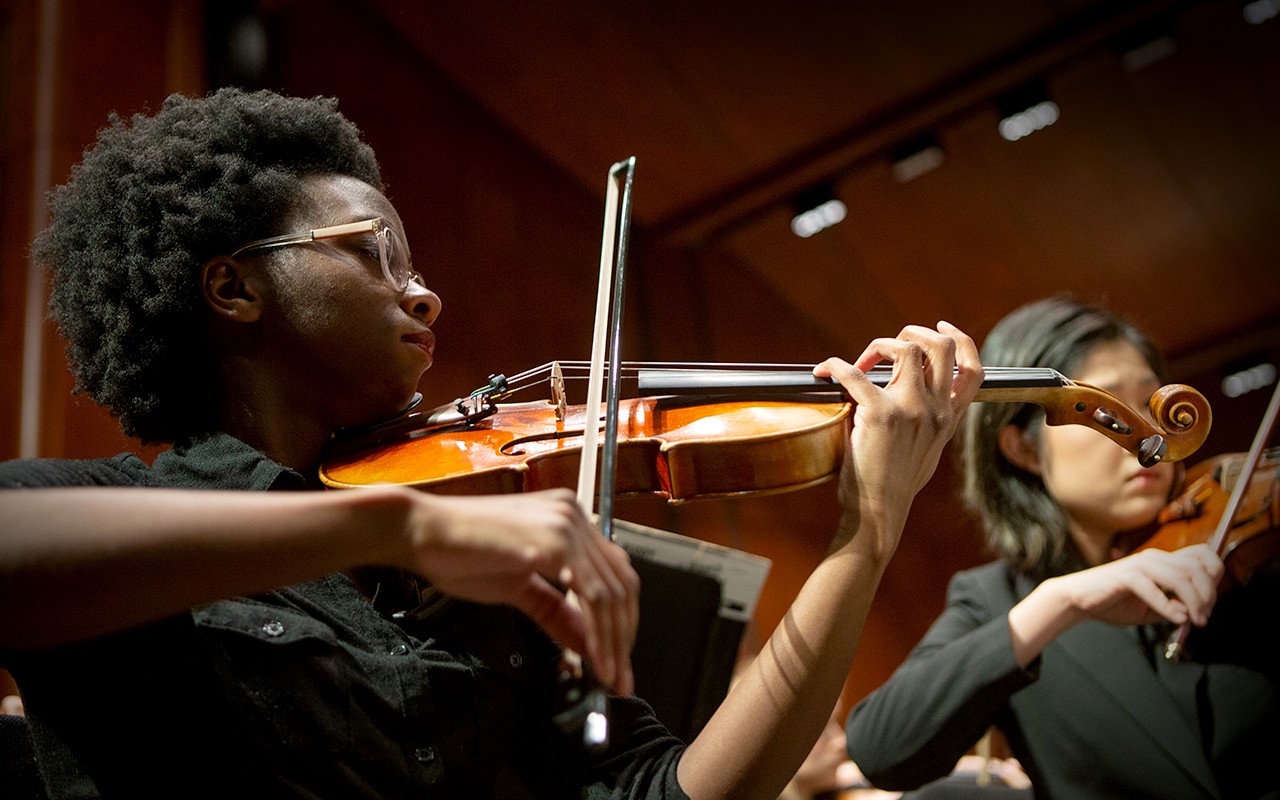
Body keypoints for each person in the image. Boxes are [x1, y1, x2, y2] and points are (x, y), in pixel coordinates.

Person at [0, 88, 984, 799]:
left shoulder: (485, 599)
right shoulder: (104, 512)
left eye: (415, 264)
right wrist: (392, 522)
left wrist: (867, 533)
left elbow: (663, 787)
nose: (420, 291)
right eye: (368, 254)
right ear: (232, 288)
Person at [844, 297, 1280, 799]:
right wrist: (1059, 602)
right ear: (1024, 449)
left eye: (1151, 403)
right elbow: (881, 749)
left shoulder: (1242, 551)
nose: (1151, 436)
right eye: (1110, 409)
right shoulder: (999, 599)